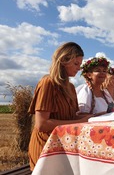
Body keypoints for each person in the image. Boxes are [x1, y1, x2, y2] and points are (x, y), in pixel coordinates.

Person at [28, 42, 92, 171]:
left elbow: (70, 116)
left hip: (62, 147)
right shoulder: (48, 83)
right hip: (45, 149)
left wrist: (91, 117)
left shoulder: (71, 87)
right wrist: (78, 122)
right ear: (63, 60)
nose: (79, 68)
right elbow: (42, 124)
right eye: (76, 64)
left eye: (79, 64)